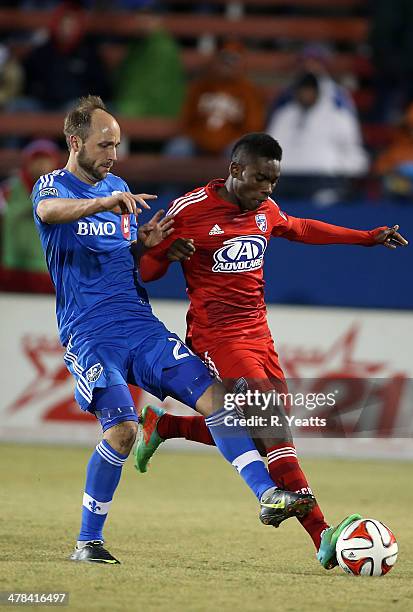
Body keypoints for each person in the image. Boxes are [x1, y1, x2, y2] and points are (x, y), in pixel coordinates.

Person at [32, 97, 313, 565]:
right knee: (122, 432)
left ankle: (267, 495)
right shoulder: (54, 185)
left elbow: (129, 263)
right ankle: (88, 542)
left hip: (140, 325)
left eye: (118, 146)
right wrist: (99, 201)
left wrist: (149, 247)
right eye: (104, 145)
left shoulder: (119, 186)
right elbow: (48, 214)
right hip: (91, 332)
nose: (113, 156)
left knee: (220, 400)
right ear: (75, 142)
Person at [135, 132, 408, 570]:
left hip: (259, 334)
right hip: (217, 338)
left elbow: (301, 228)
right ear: (236, 170)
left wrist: (365, 237)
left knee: (265, 434)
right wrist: (164, 254)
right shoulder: (189, 210)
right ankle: (323, 534)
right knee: (274, 429)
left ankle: (165, 426)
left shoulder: (265, 210)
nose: (267, 190)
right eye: (261, 179)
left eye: (273, 182)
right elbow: (147, 270)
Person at [266, 72, 368, 204]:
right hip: (286, 178)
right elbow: (270, 148)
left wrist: (347, 172)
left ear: (318, 92)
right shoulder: (284, 115)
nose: (305, 95)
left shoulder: (338, 117)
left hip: (323, 177)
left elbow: (353, 151)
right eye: (302, 91)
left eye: (309, 91)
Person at [165, 41, 265, 157]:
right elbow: (186, 120)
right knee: (178, 147)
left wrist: (224, 139)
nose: (227, 65)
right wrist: (201, 138)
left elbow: (253, 127)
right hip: (197, 144)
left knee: (240, 151)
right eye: (224, 59)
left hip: (229, 145)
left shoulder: (248, 91)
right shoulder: (200, 86)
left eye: (232, 60)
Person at [0, 139, 59, 293]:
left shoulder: (62, 191)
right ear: (27, 163)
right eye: (36, 160)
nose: (41, 165)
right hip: (12, 268)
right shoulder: (9, 189)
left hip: (44, 270)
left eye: (45, 161)